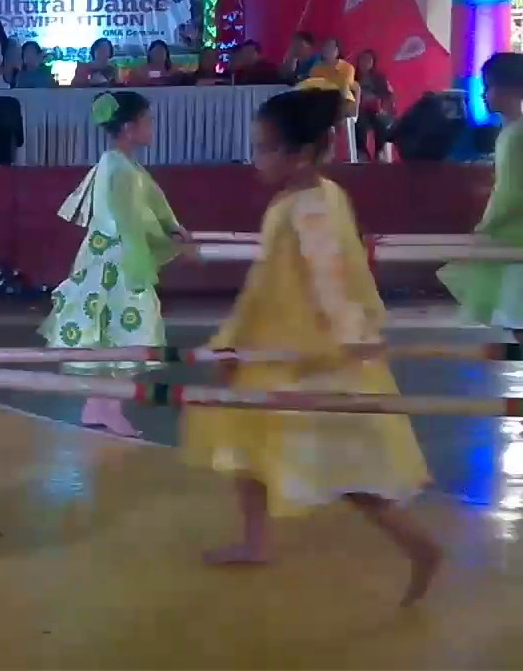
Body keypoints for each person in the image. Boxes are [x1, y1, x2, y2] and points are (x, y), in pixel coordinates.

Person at [182, 88, 440, 606]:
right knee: (244, 442)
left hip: (313, 359)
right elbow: (271, 282)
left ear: (300, 154)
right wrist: (236, 342)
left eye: (265, 148)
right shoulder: (312, 197)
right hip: (276, 348)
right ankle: (255, 542)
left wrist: (350, 340)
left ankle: (420, 546)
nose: (256, 158)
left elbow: (330, 279)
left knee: (351, 474)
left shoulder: (310, 207)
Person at [41, 91, 191, 436]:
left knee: (107, 330)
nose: (152, 127)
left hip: (108, 258)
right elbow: (131, 220)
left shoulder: (121, 165)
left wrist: (172, 228)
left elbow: (153, 203)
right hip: (118, 261)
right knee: (126, 330)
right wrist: (165, 242)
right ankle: (109, 407)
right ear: (128, 127)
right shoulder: (119, 169)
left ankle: (98, 405)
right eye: (147, 121)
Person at [440, 53, 523, 339]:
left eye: (489, 87)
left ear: (512, 89)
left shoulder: (514, 136)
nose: (484, 94)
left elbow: (511, 194)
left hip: (511, 238)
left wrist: (486, 227)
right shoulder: (511, 133)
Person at [354, 49, 396, 160]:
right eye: (363, 59)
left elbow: (387, 96)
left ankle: (379, 151)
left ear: (373, 63)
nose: (365, 62)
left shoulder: (379, 78)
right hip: (360, 108)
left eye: (369, 60)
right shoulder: (353, 77)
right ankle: (362, 152)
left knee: (381, 121)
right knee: (360, 121)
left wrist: (382, 107)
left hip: (377, 108)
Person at [307, 38, 357, 106]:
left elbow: (344, 87)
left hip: (339, 101)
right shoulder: (316, 67)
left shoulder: (347, 68)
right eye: (325, 46)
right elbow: (310, 86)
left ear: (337, 51)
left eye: (330, 46)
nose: (326, 48)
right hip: (319, 100)